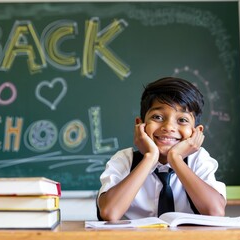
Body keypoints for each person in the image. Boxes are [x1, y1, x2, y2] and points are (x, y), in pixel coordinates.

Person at [97, 77, 226, 221]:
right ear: (140, 124)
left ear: (196, 132)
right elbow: (109, 212)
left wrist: (176, 159)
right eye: (157, 117)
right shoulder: (125, 160)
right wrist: (150, 157)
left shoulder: (199, 160)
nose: (168, 127)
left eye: (182, 120)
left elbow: (215, 211)